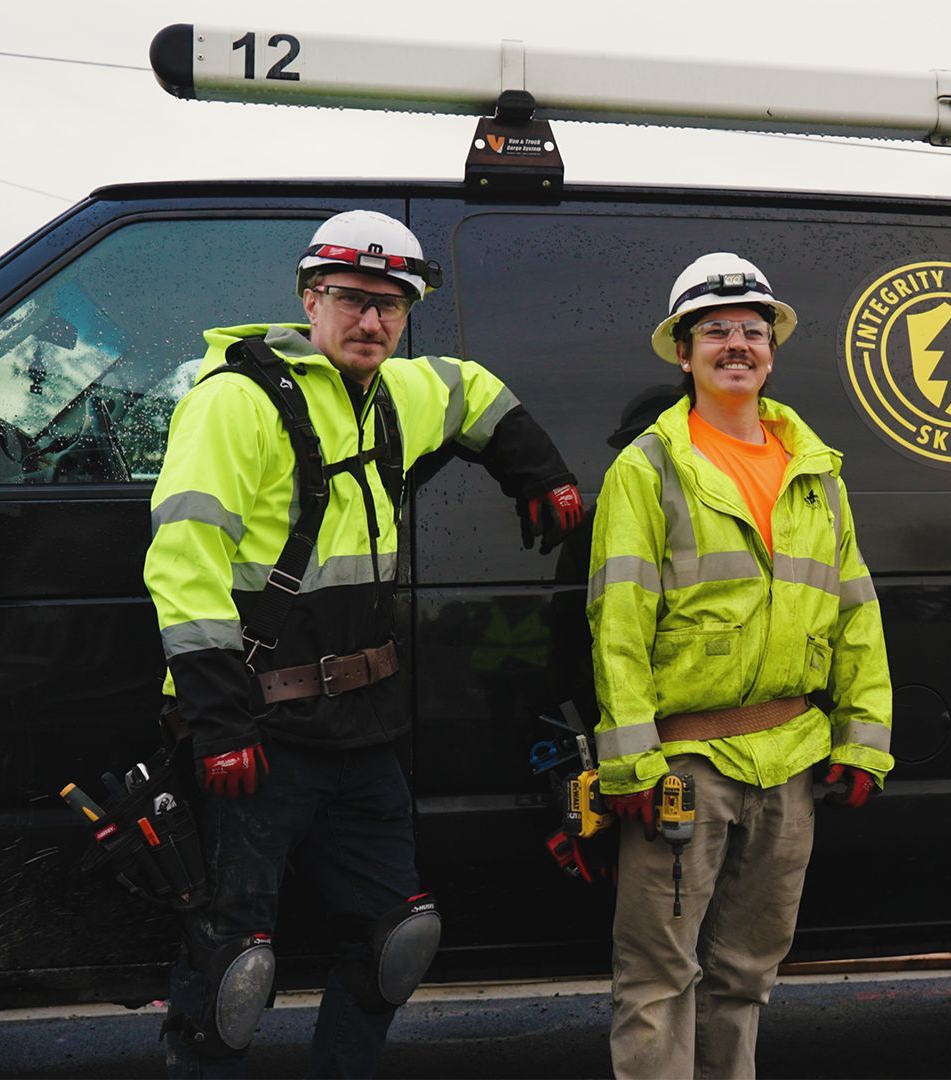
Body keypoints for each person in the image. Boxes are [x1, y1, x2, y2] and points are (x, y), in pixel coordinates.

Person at [144, 209, 584, 1078]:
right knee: (233, 965)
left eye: (392, 304)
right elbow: (182, 561)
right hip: (256, 731)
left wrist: (541, 472)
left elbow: (471, 389)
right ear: (310, 299)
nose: (372, 319)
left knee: (399, 937)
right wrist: (219, 721)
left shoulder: (401, 393)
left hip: (362, 730)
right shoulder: (235, 400)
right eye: (350, 298)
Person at [587, 252, 894, 1078]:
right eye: (715, 331)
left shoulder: (815, 473)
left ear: (772, 353)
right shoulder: (648, 467)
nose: (737, 345)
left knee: (746, 976)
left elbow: (856, 612)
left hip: (790, 759)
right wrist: (633, 764)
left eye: (752, 331)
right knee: (657, 977)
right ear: (684, 354)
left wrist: (862, 741)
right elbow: (617, 624)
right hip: (684, 763)